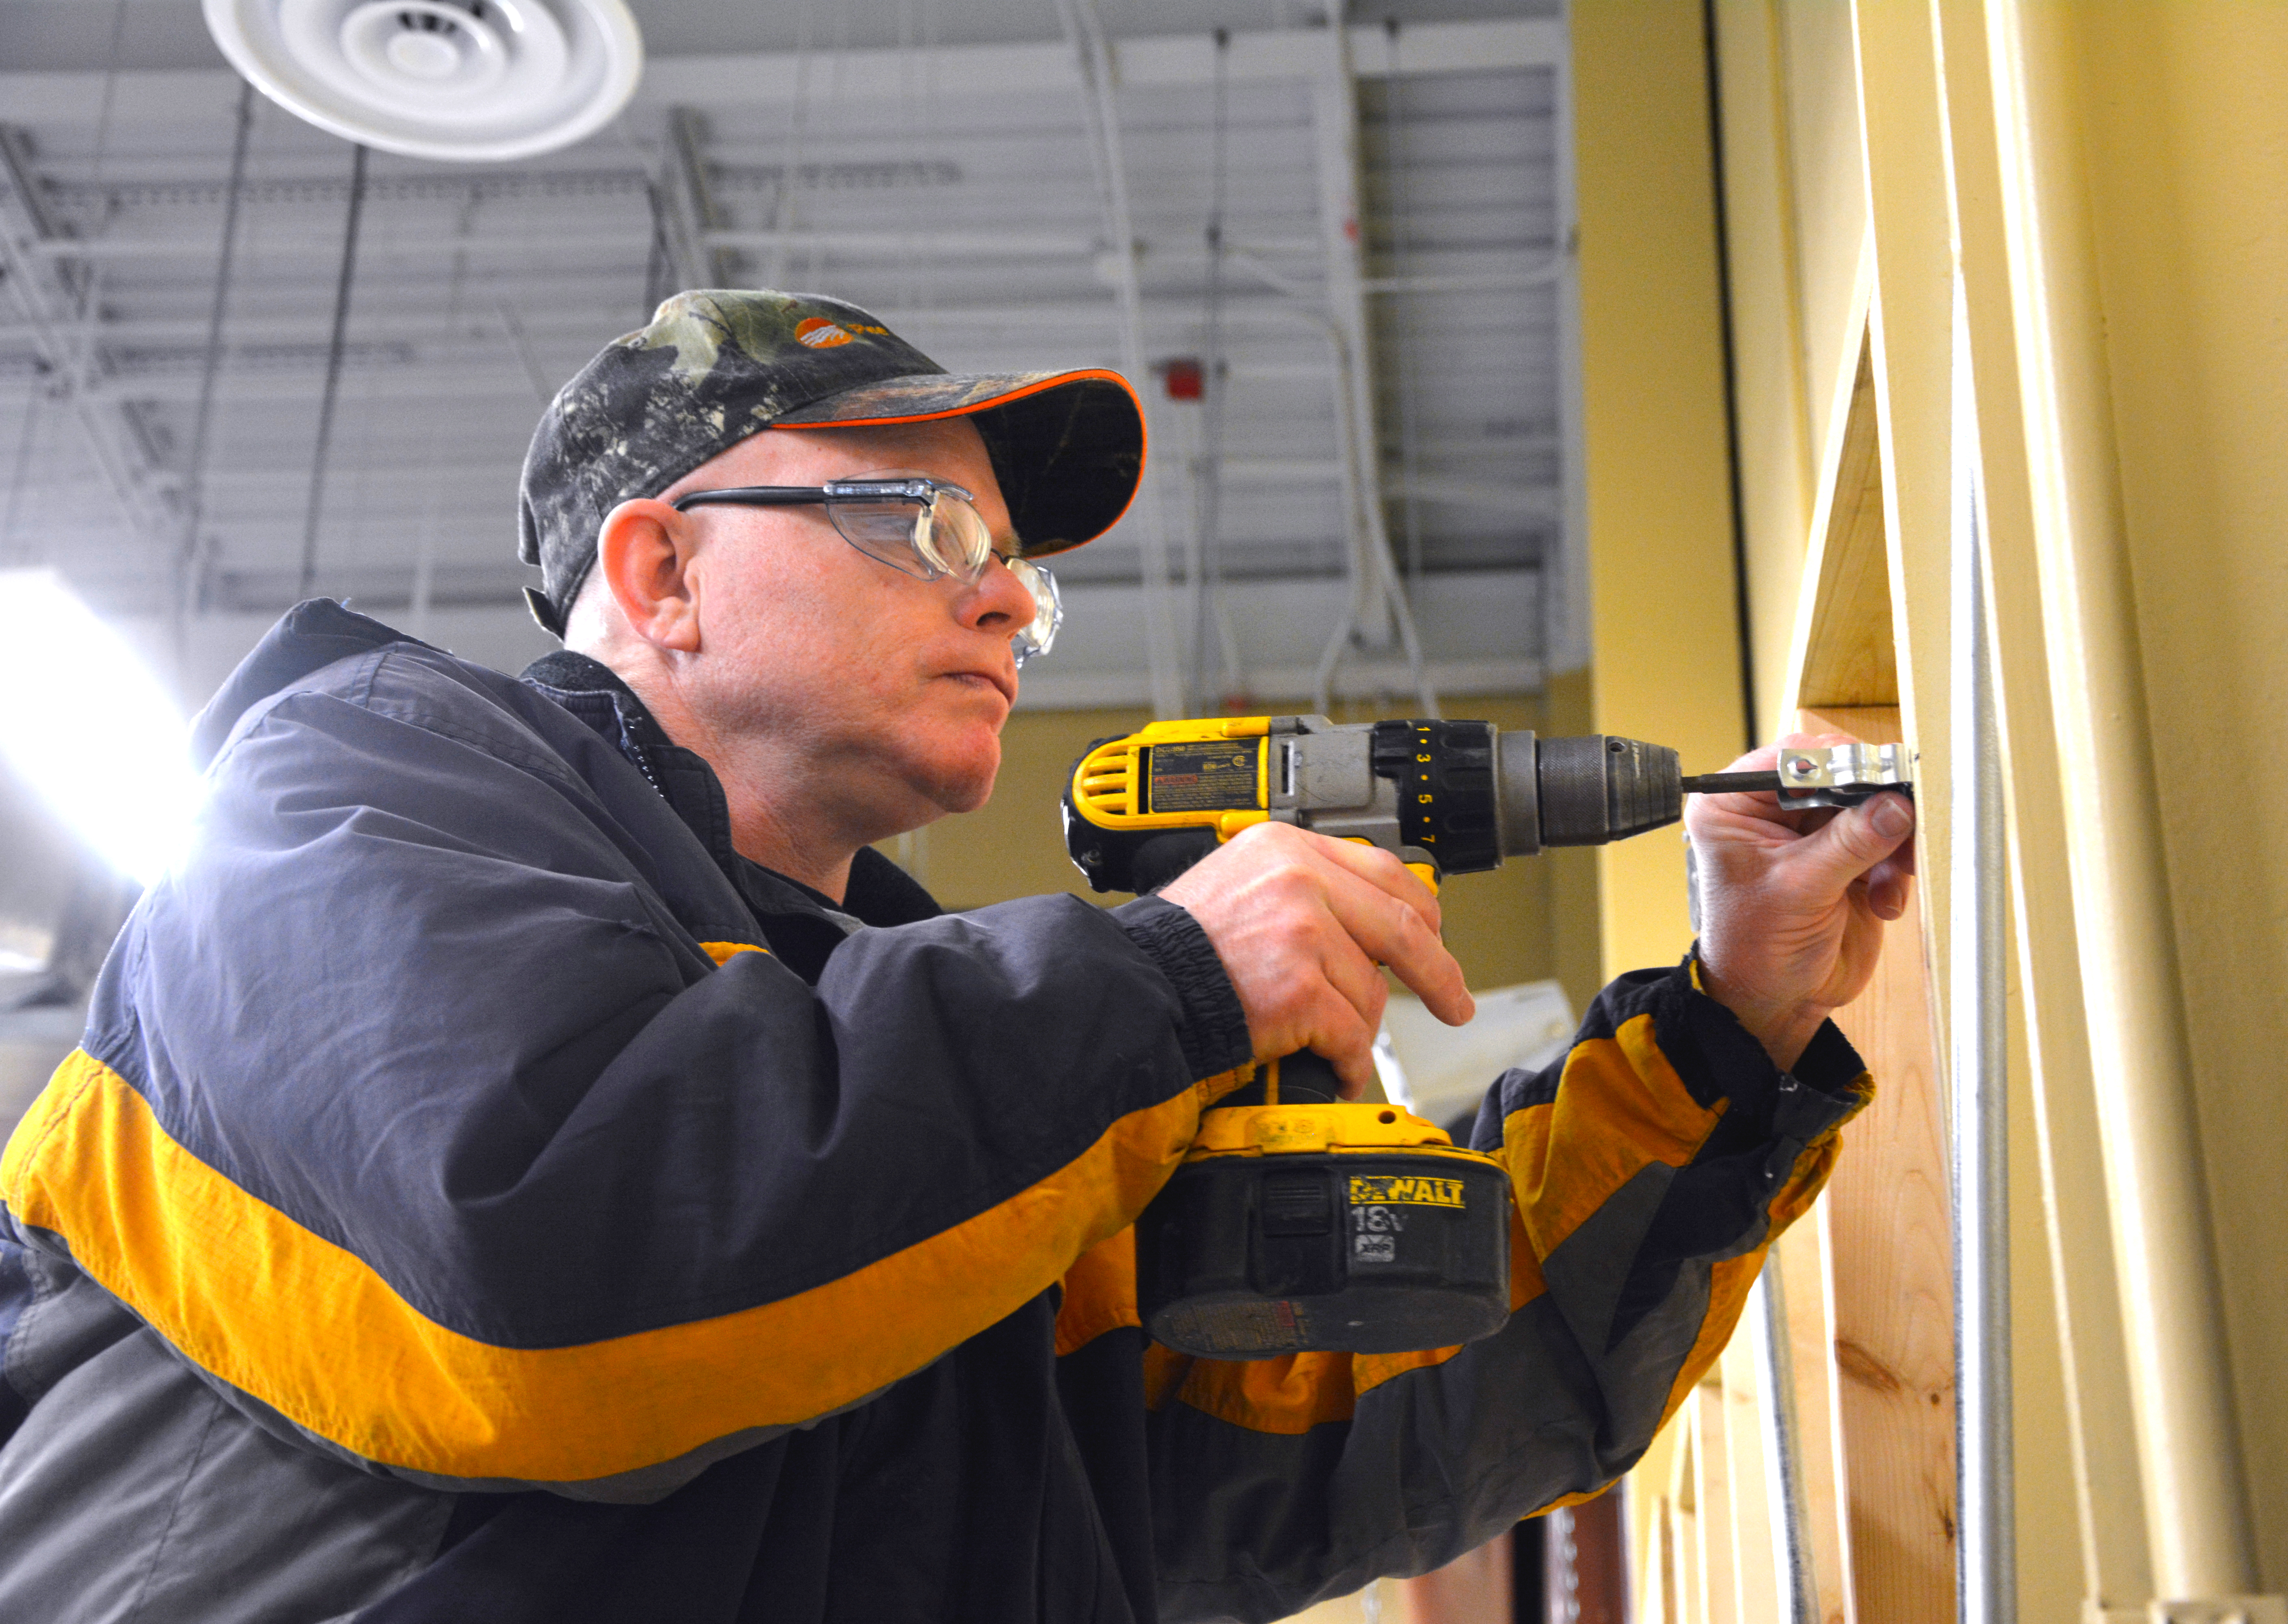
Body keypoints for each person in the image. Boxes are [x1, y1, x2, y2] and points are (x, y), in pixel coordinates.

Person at [0, 291, 1915, 1623]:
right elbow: (545, 1272)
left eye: (1021, 565)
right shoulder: (349, 800)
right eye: (921, 521)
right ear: (661, 573)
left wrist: (1732, 1026)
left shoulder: (971, 1134)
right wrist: (1166, 981)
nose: (1006, 592)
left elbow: (1384, 1401)